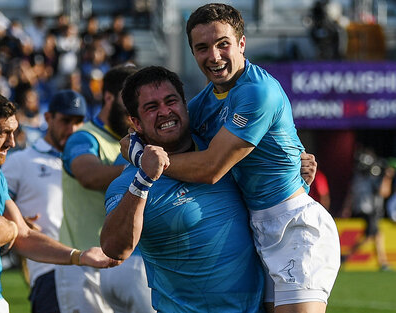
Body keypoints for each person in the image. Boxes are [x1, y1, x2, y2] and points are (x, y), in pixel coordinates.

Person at [124, 4, 339, 313]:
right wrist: (136, 150)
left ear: (241, 43)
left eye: (222, 43)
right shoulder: (205, 101)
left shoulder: (257, 91)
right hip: (256, 228)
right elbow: (135, 136)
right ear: (193, 53)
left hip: (294, 224)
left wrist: (145, 163)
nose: (214, 56)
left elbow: (211, 168)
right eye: (202, 48)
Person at [0, 88, 119, 313]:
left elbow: (24, 235)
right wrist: (11, 227)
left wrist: (79, 256)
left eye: (14, 132)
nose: (12, 142)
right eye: (3, 133)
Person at [101, 66, 265, 312]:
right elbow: (114, 247)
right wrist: (143, 179)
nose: (165, 112)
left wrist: (301, 172)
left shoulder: (220, 152)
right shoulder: (127, 183)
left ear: (185, 104)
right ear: (136, 123)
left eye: (171, 101)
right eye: (152, 107)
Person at [55, 65, 153, 313]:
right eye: (127, 98)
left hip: (123, 259)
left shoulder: (137, 140)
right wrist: (143, 171)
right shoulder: (85, 137)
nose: (133, 107)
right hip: (83, 264)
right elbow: (88, 175)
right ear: (108, 96)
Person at [1, 90, 87, 312]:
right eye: (66, 121)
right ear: (48, 118)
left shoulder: (91, 163)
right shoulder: (20, 161)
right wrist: (16, 222)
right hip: (50, 270)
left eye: (78, 122)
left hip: (96, 267)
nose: (72, 129)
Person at [342, 147, 394, 271]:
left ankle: (383, 262)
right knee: (370, 236)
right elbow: (383, 192)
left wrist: (347, 208)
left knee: (378, 235)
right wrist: (388, 177)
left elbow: (351, 194)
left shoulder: (358, 177)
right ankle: (345, 257)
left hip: (364, 209)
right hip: (370, 210)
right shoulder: (371, 177)